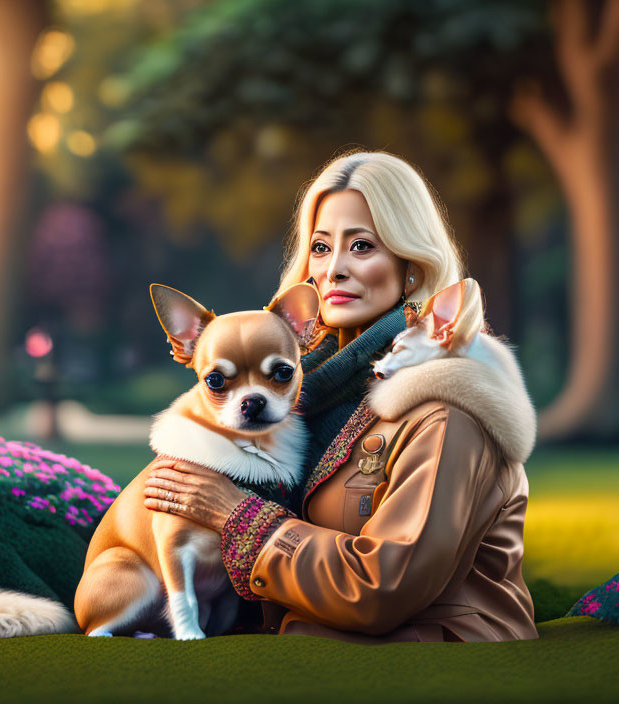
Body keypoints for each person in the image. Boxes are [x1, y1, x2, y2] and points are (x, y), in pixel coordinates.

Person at [143, 150, 539, 643]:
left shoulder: (446, 409)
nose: (334, 270)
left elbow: (383, 588)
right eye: (321, 247)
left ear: (410, 264)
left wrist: (238, 516)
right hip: (323, 652)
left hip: (435, 659)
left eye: (362, 246)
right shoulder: (304, 390)